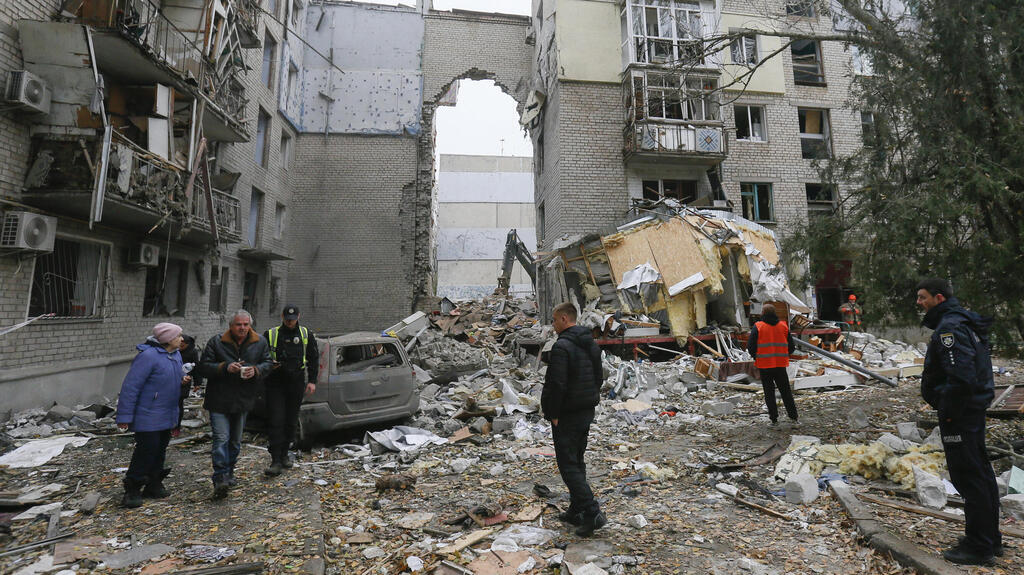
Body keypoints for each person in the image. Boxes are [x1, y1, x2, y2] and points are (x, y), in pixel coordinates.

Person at [916, 278, 1000, 565]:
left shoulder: (950, 327)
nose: (919, 302)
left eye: (923, 297)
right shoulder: (962, 321)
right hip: (970, 410)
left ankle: (979, 546)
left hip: (961, 414)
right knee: (981, 472)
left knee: (969, 477)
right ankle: (990, 538)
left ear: (938, 298)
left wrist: (949, 411)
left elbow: (962, 376)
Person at [541, 302, 606, 536]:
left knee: (568, 465)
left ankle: (592, 512)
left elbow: (557, 384)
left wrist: (553, 413)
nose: (553, 325)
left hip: (567, 414)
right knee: (577, 461)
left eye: (554, 320)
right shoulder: (590, 343)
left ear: (564, 319)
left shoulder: (562, 347)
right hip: (585, 411)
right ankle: (576, 509)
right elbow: (599, 377)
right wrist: (589, 399)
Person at [198, 310, 272, 498]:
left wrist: (256, 370)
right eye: (239, 324)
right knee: (221, 438)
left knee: (235, 441)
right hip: (219, 399)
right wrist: (224, 367)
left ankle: (229, 470)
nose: (242, 328)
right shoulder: (216, 342)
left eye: (246, 324)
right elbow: (204, 367)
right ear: (231, 326)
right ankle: (220, 476)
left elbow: (268, 363)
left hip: (243, 399)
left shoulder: (260, 342)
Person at [115, 322, 190, 508]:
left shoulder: (175, 355)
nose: (182, 339)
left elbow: (169, 377)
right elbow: (131, 386)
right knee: (146, 449)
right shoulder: (148, 356)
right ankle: (133, 488)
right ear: (168, 339)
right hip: (148, 413)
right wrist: (124, 416)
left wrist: (182, 380)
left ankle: (154, 483)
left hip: (167, 412)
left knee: (160, 449)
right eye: (178, 336)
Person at [262, 305, 319, 476]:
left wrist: (312, 381)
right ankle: (275, 460)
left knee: (291, 421)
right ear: (282, 317)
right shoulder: (271, 334)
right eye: (287, 319)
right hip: (275, 383)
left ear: (298, 317)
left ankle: (285, 455)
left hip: (296, 382)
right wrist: (269, 365)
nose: (290, 322)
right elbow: (261, 356)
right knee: (276, 421)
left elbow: (313, 358)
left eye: (292, 319)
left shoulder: (305, 334)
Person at [747, 303, 798, 428]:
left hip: (764, 365)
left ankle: (774, 419)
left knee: (769, 393)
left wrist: (756, 356)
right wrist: (783, 354)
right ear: (775, 313)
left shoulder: (758, 326)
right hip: (780, 364)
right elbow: (791, 347)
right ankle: (794, 417)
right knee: (786, 391)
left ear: (763, 313)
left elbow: (751, 346)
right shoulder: (783, 326)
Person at [175, 334, 203, 436]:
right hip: (173, 381)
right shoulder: (173, 351)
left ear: (187, 344)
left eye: (183, 345)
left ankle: (176, 427)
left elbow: (196, 368)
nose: (180, 347)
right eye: (179, 344)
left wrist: (197, 383)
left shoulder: (192, 352)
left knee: (179, 404)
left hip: (185, 381)